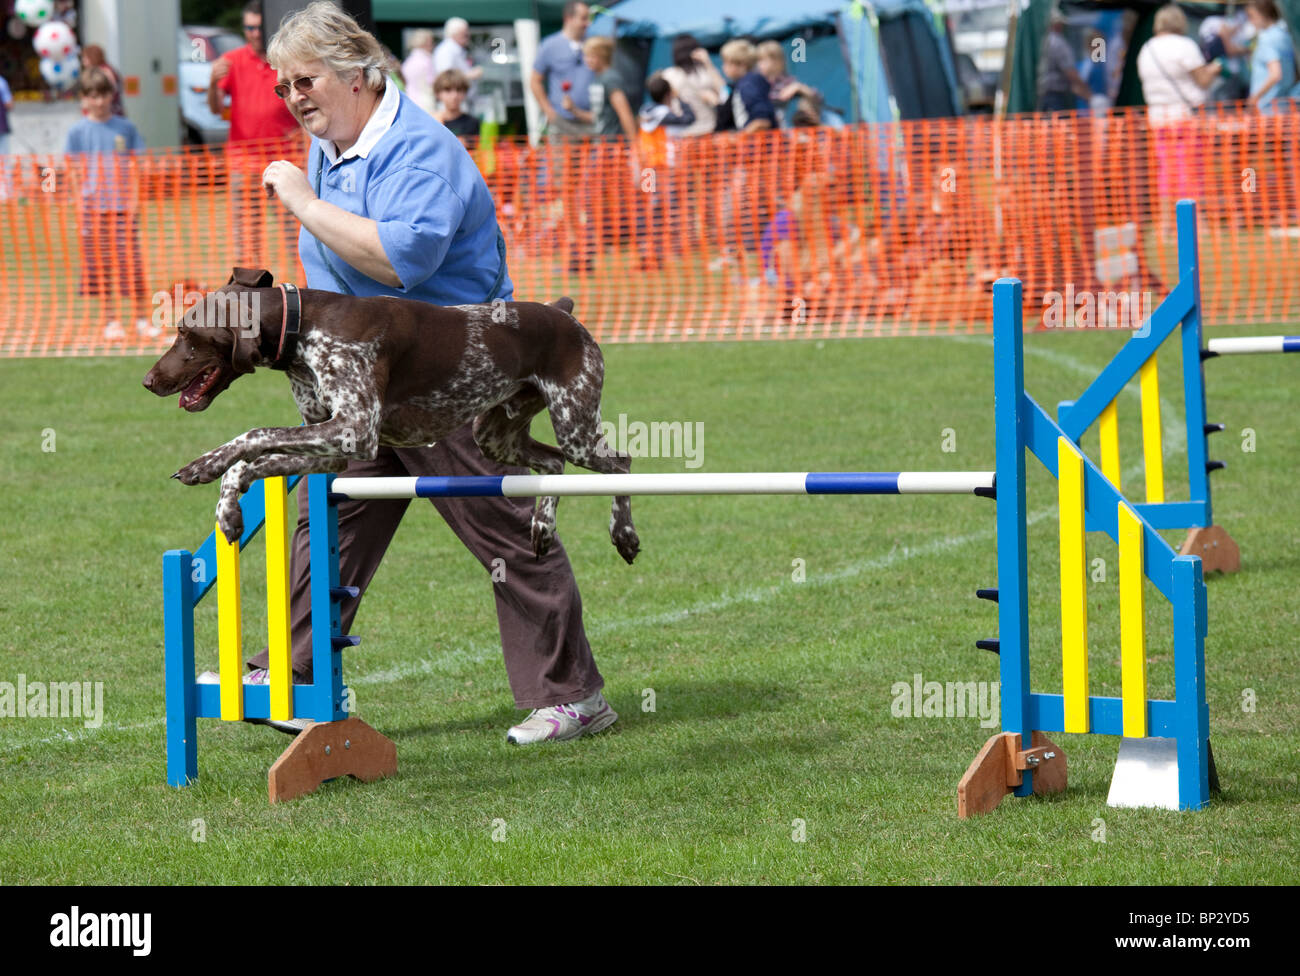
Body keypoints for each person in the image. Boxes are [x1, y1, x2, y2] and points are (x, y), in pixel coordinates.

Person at [255, 1, 616, 744]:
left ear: (358, 74)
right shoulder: (334, 138)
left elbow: (399, 260)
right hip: (366, 368)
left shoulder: (420, 150)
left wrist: (300, 201)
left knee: (505, 533)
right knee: (326, 511)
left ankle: (574, 695)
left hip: (451, 365)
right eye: (284, 85)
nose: (294, 98)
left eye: (306, 80)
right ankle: (294, 676)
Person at [208, 1, 300, 266]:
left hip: (285, 160)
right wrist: (213, 81)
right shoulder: (233, 60)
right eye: (249, 27)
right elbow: (216, 109)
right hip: (244, 163)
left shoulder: (285, 60)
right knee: (246, 241)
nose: (254, 33)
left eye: (259, 27)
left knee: (296, 234)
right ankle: (250, 296)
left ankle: (307, 290)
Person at [64, 68, 149, 339]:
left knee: (132, 265)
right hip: (93, 210)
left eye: (102, 95)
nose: (98, 101)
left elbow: (138, 165)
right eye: (92, 96)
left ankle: (141, 317)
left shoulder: (126, 128)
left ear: (111, 96)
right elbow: (72, 171)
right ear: (84, 98)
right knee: (101, 267)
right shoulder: (77, 132)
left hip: (122, 207)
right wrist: (79, 205)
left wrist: (135, 200)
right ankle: (110, 319)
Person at [1136, 4, 1221, 234]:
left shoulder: (1146, 49)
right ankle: (1196, 223)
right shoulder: (1184, 46)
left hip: (1158, 117)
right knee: (1190, 169)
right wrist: (1214, 70)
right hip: (1184, 116)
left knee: (1165, 171)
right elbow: (1202, 80)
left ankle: (1165, 224)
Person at [529, 1, 594, 137]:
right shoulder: (549, 46)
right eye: (583, 18)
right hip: (562, 122)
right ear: (568, 18)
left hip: (590, 121)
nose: (587, 23)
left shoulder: (593, 44)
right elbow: (535, 80)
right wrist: (549, 112)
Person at [660, 34, 726, 137]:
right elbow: (725, 92)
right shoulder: (706, 73)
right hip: (709, 129)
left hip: (682, 132)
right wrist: (708, 63)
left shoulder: (668, 75)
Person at [1241, 0, 1296, 113]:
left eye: (1252, 16)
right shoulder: (1285, 35)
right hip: (1287, 104)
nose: (1250, 21)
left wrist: (1253, 98)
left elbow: (1275, 74)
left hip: (1267, 106)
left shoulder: (1266, 38)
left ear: (1263, 14)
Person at [756, 40, 822, 127]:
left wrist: (799, 87)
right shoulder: (757, 83)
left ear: (779, 61)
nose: (760, 65)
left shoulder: (788, 82)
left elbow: (817, 98)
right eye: (759, 61)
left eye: (763, 60)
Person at [1036, 10, 1092, 112]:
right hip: (1055, 96)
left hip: (1045, 94)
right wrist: (1089, 95)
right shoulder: (1058, 43)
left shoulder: (1043, 41)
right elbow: (1070, 72)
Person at [715, 39, 775, 132]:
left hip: (757, 143)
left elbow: (761, 121)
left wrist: (740, 138)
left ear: (741, 65)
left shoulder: (748, 85)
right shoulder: (746, 83)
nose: (723, 67)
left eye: (726, 63)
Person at [432, 16, 483, 99]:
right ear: (454, 33)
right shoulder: (446, 51)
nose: (468, 36)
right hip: (453, 101)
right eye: (464, 33)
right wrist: (471, 74)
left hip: (461, 99)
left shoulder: (455, 49)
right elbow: (445, 77)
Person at [80, 45, 126, 118]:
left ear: (93, 57)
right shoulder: (105, 69)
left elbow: (111, 93)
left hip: (109, 114)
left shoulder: (104, 72)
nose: (83, 63)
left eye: (85, 59)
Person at [433, 68, 479, 138]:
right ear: (438, 93)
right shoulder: (434, 121)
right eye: (448, 90)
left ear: (465, 92)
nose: (454, 96)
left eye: (459, 90)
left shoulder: (472, 123)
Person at [400, 28, 436, 115]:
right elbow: (432, 82)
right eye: (431, 42)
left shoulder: (408, 62)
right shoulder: (427, 60)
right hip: (426, 102)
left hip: (409, 101)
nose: (433, 45)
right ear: (426, 42)